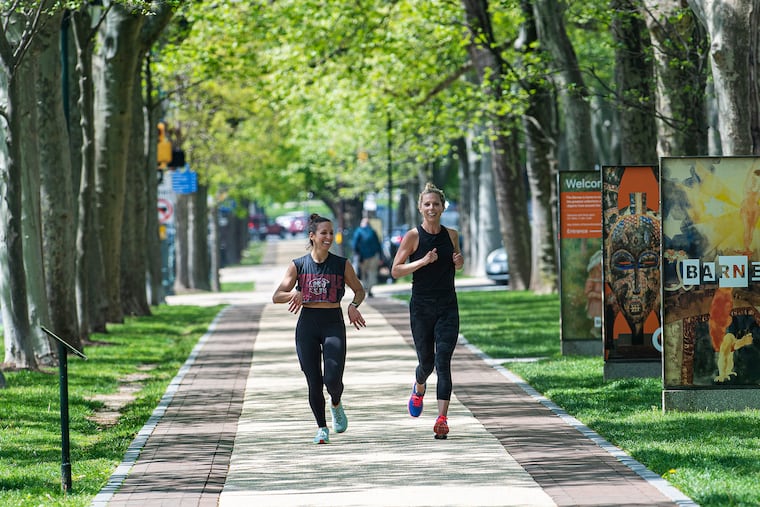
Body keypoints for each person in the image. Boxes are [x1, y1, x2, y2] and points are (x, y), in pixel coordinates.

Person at [272, 213, 367, 444]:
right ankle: (321, 428)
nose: (329, 237)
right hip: (308, 324)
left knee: (332, 378)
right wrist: (294, 293)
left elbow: (359, 290)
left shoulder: (341, 264)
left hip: (333, 322)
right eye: (324, 233)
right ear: (312, 236)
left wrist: (353, 306)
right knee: (313, 380)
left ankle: (336, 402)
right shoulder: (298, 265)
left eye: (331, 233)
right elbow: (277, 296)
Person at [391, 183, 464, 440]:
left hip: (447, 305)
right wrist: (422, 261)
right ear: (421, 208)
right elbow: (395, 270)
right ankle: (419, 386)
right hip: (421, 307)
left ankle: (442, 419)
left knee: (443, 360)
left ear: (443, 207)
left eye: (436, 204)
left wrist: (459, 261)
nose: (432, 208)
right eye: (427, 204)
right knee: (427, 363)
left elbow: (457, 262)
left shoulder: (451, 235)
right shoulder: (413, 236)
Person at [351, 217, 383, 297]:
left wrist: (356, 255)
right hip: (374, 256)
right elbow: (378, 245)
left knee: (362, 274)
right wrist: (381, 256)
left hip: (362, 257)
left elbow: (354, 244)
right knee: (372, 273)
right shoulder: (373, 232)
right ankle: (370, 289)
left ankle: (365, 287)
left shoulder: (358, 231)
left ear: (362, 223)